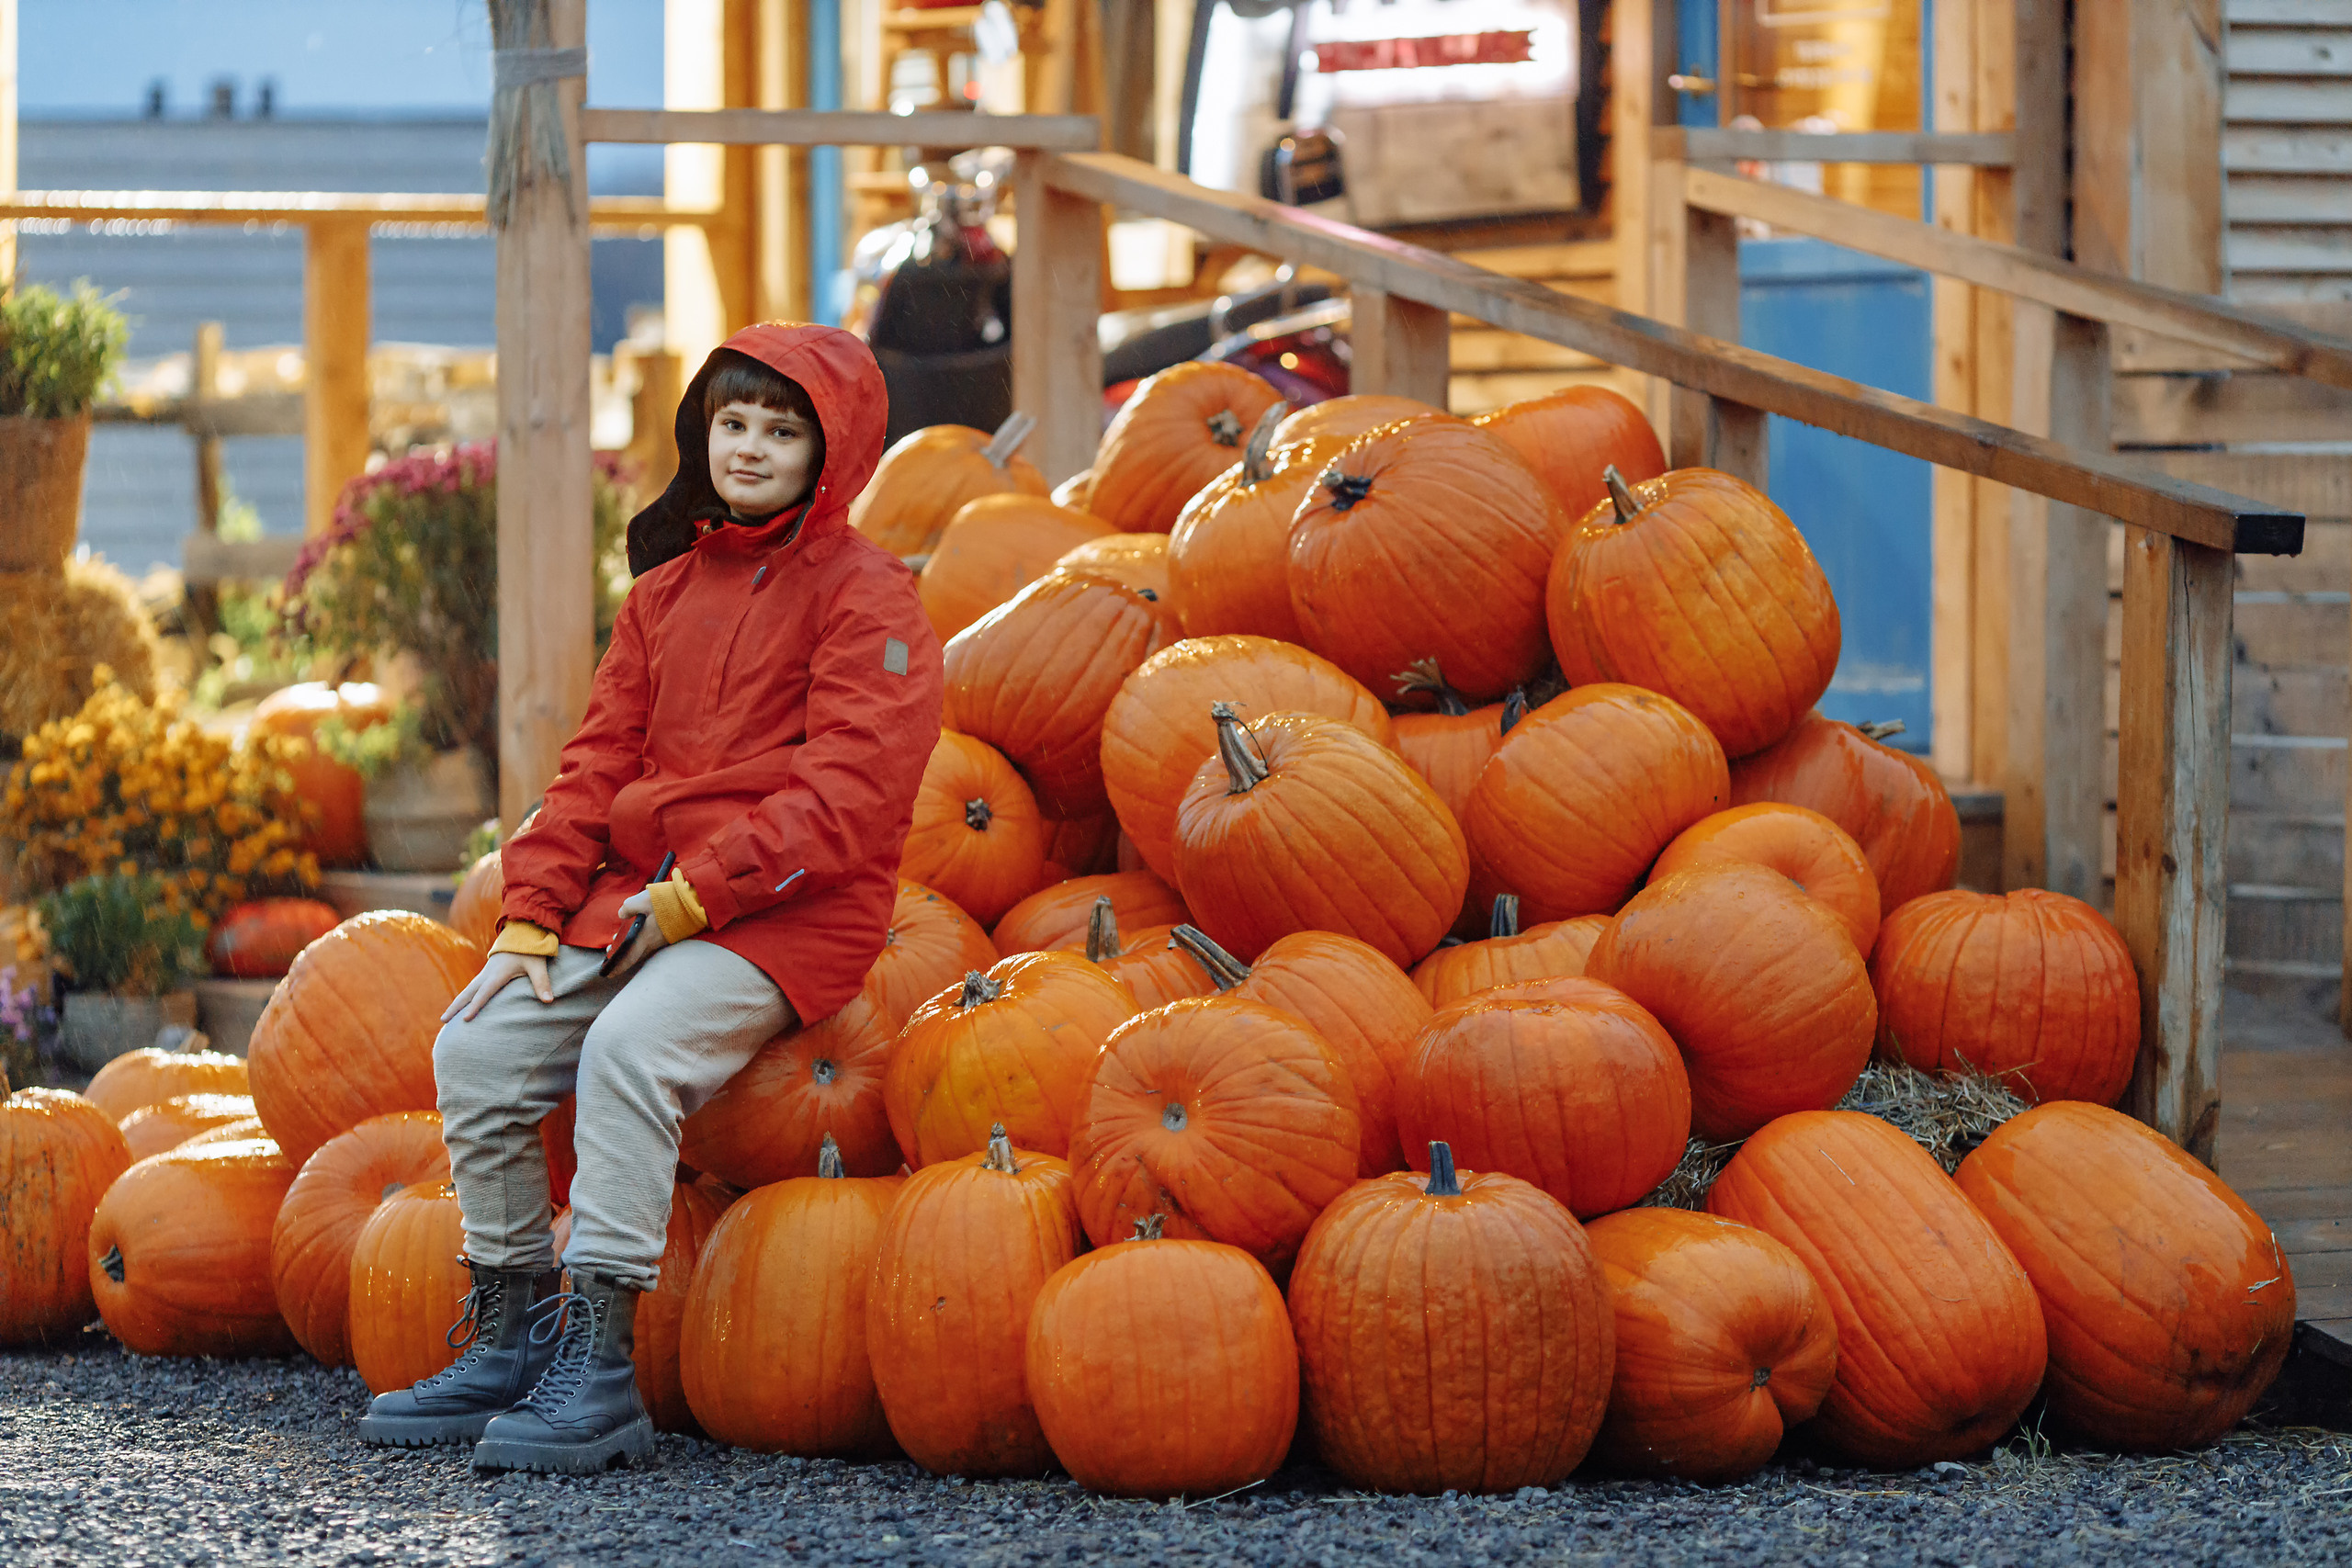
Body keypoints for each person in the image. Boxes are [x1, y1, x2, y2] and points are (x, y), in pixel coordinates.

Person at [356, 323, 943, 1473]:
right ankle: (516, 1329)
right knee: (477, 1042)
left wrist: (700, 896)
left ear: (835, 453)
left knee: (627, 1049)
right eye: (733, 424)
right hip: (639, 900)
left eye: (783, 430)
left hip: (786, 915)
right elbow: (595, 765)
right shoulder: (665, 594)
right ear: (701, 433)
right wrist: (532, 906)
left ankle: (603, 1364)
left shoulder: (871, 600)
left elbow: (850, 797)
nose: (752, 449)